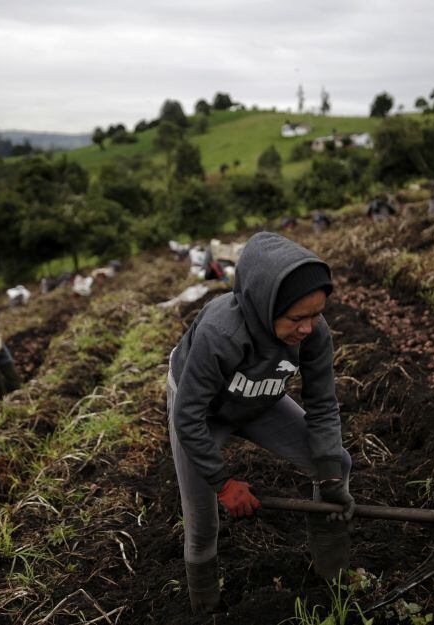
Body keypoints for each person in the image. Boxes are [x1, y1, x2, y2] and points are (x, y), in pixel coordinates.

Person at [167, 232, 354, 614]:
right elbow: (187, 417)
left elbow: (322, 405)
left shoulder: (315, 334)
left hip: (260, 400)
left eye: (316, 314)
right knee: (202, 524)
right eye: (296, 318)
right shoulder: (222, 333)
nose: (307, 327)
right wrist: (223, 482)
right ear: (265, 306)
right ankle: (205, 609)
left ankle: (332, 574)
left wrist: (331, 478)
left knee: (337, 463)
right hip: (204, 412)